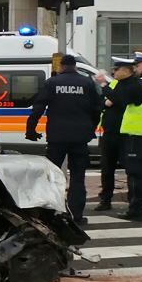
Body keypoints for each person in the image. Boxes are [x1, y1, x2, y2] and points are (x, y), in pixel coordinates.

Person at [26, 54, 101, 225]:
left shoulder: (52, 83)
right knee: (78, 177)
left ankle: (51, 213)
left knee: (52, 176)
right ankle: (77, 216)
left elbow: (38, 108)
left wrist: (31, 130)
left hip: (57, 137)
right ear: (75, 66)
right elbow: (97, 109)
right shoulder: (87, 83)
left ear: (61, 66)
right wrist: (91, 129)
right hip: (80, 138)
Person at [98, 51, 142, 220]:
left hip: (137, 134)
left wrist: (104, 86)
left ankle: (136, 210)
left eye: (138, 65)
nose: (136, 68)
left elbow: (121, 99)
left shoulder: (141, 83)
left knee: (137, 174)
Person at [94, 58, 135, 212]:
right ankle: (105, 200)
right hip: (109, 133)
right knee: (107, 168)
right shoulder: (116, 84)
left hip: (125, 133)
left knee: (130, 168)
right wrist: (107, 100)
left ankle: (133, 201)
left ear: (127, 71)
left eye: (117, 69)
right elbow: (104, 102)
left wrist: (104, 84)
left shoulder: (132, 85)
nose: (114, 72)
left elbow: (117, 100)